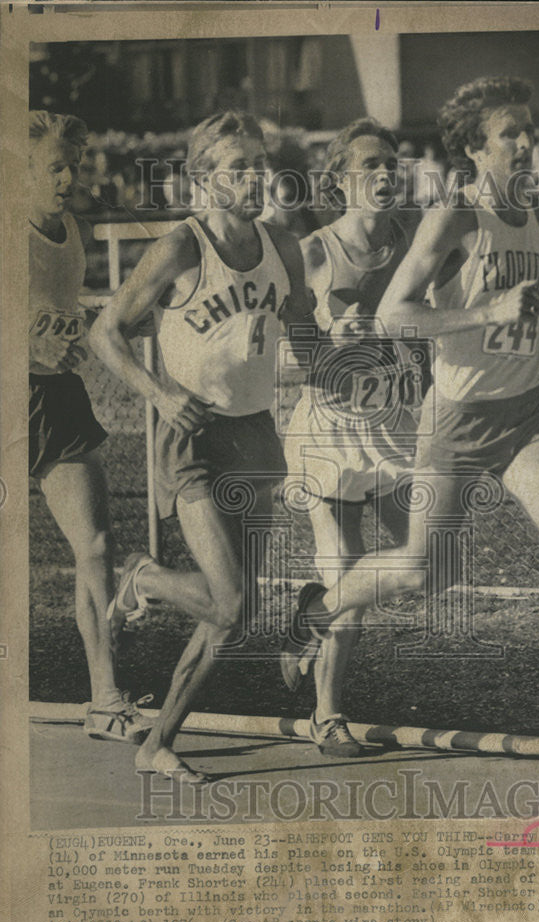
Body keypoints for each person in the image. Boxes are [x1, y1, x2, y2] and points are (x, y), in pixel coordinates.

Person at [282, 78, 539, 762]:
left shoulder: (528, 206)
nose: (530, 143)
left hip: (526, 413)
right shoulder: (453, 216)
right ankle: (317, 613)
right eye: (514, 134)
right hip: (458, 420)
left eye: (530, 131)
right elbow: (394, 315)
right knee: (423, 569)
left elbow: (522, 288)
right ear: (476, 147)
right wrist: (486, 315)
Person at [89, 111, 316, 783]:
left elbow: (304, 334)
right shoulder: (181, 248)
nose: (256, 178)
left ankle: (157, 742)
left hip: (255, 433)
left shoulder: (284, 246)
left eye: (260, 164)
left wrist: (360, 371)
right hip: (193, 436)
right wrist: (158, 393)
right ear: (203, 179)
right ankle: (143, 579)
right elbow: (106, 332)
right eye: (239, 168)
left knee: (229, 618)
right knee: (228, 601)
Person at [282, 118, 426, 756]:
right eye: (370, 164)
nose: (385, 173)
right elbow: (278, 356)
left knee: (427, 565)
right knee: (345, 568)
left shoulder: (415, 241)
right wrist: (327, 345)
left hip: (393, 433)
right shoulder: (312, 252)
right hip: (329, 433)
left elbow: (432, 325)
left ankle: (311, 620)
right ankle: (328, 716)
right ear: (341, 180)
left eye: (391, 162)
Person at [28, 110, 152, 742]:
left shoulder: (72, 230)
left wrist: (65, 336)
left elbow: (59, 317)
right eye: (54, 165)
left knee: (97, 549)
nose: (68, 176)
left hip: (53, 402)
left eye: (74, 164)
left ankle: (106, 697)